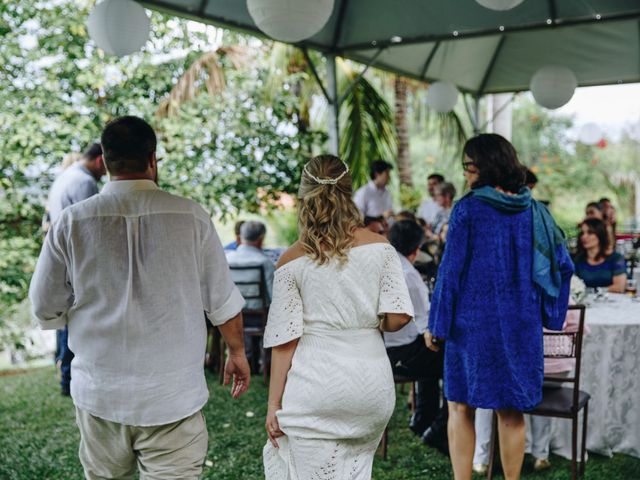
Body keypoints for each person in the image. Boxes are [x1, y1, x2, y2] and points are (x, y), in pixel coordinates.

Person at [29, 116, 250, 479]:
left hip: (100, 393)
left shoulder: (71, 222)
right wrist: (238, 353)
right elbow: (223, 301)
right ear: (153, 159)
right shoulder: (191, 217)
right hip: (173, 394)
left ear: (106, 159)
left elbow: (43, 306)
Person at [427, 133, 574, 480]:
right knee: (511, 412)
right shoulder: (537, 211)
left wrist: (437, 324)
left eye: (468, 166)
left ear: (483, 166)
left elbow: (450, 273)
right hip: (521, 326)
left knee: (460, 406)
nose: (465, 174)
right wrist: (549, 311)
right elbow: (563, 265)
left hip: (471, 327)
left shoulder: (468, 209)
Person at [263, 155, 414, 479]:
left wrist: (273, 403)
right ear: (349, 193)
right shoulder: (381, 247)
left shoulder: (290, 260)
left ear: (305, 197)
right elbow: (399, 317)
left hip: (316, 389)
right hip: (371, 389)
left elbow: (285, 341)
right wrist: (374, 323)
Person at [46, 143, 105, 396]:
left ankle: (65, 377)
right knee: (78, 318)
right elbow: (91, 228)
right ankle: (70, 378)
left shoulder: (64, 177)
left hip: (63, 259)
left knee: (68, 319)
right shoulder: (84, 182)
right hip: (78, 262)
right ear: (100, 160)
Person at [385, 220, 448, 452]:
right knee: (453, 363)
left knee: (432, 355)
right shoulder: (409, 275)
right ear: (416, 248)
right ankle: (439, 429)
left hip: (380, 350)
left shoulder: (380, 264)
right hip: (401, 355)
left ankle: (423, 418)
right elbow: (425, 325)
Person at [226, 220, 276, 372]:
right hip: (260, 317)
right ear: (261, 239)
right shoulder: (265, 262)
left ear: (240, 237)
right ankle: (265, 360)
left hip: (232, 317)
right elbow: (273, 296)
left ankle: (249, 358)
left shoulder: (227, 259)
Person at [574, 218, 626, 293]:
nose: (584, 236)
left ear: (600, 235)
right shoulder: (578, 260)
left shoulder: (615, 259)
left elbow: (619, 287)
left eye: (590, 232)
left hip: (611, 302)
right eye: (582, 233)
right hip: (585, 302)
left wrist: (594, 290)